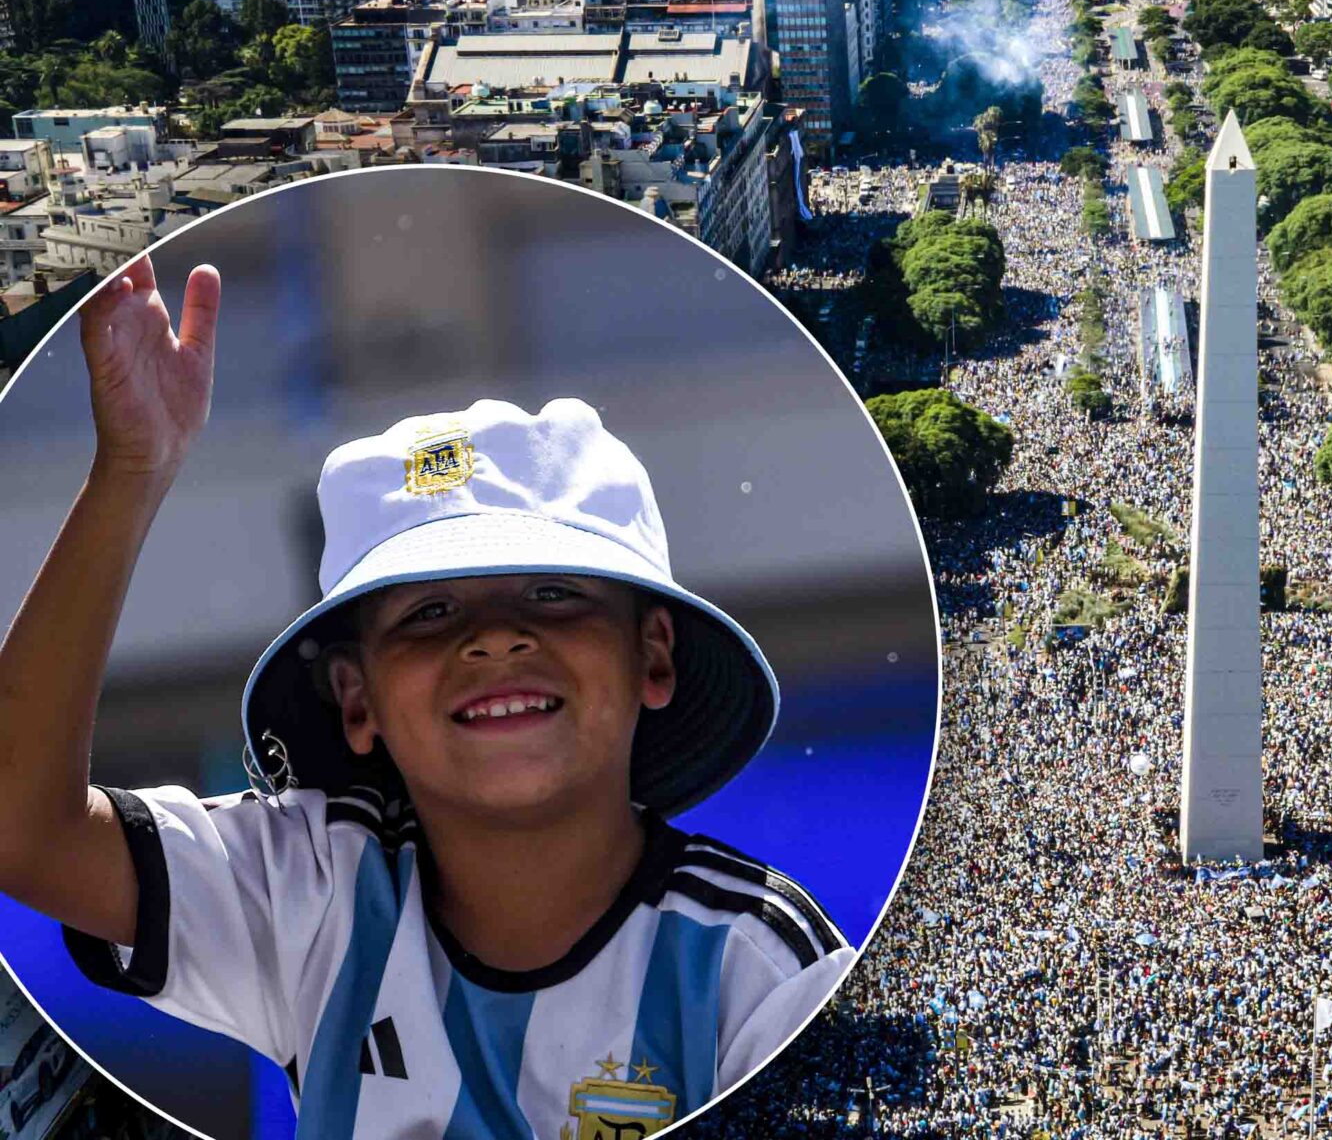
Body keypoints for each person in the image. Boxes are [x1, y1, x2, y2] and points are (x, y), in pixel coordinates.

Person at [0, 257, 853, 1139]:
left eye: (553, 593)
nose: (495, 639)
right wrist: (131, 470)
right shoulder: (314, 893)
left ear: (653, 656)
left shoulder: (762, 970)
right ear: (356, 699)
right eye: (431, 612)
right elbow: (19, 829)